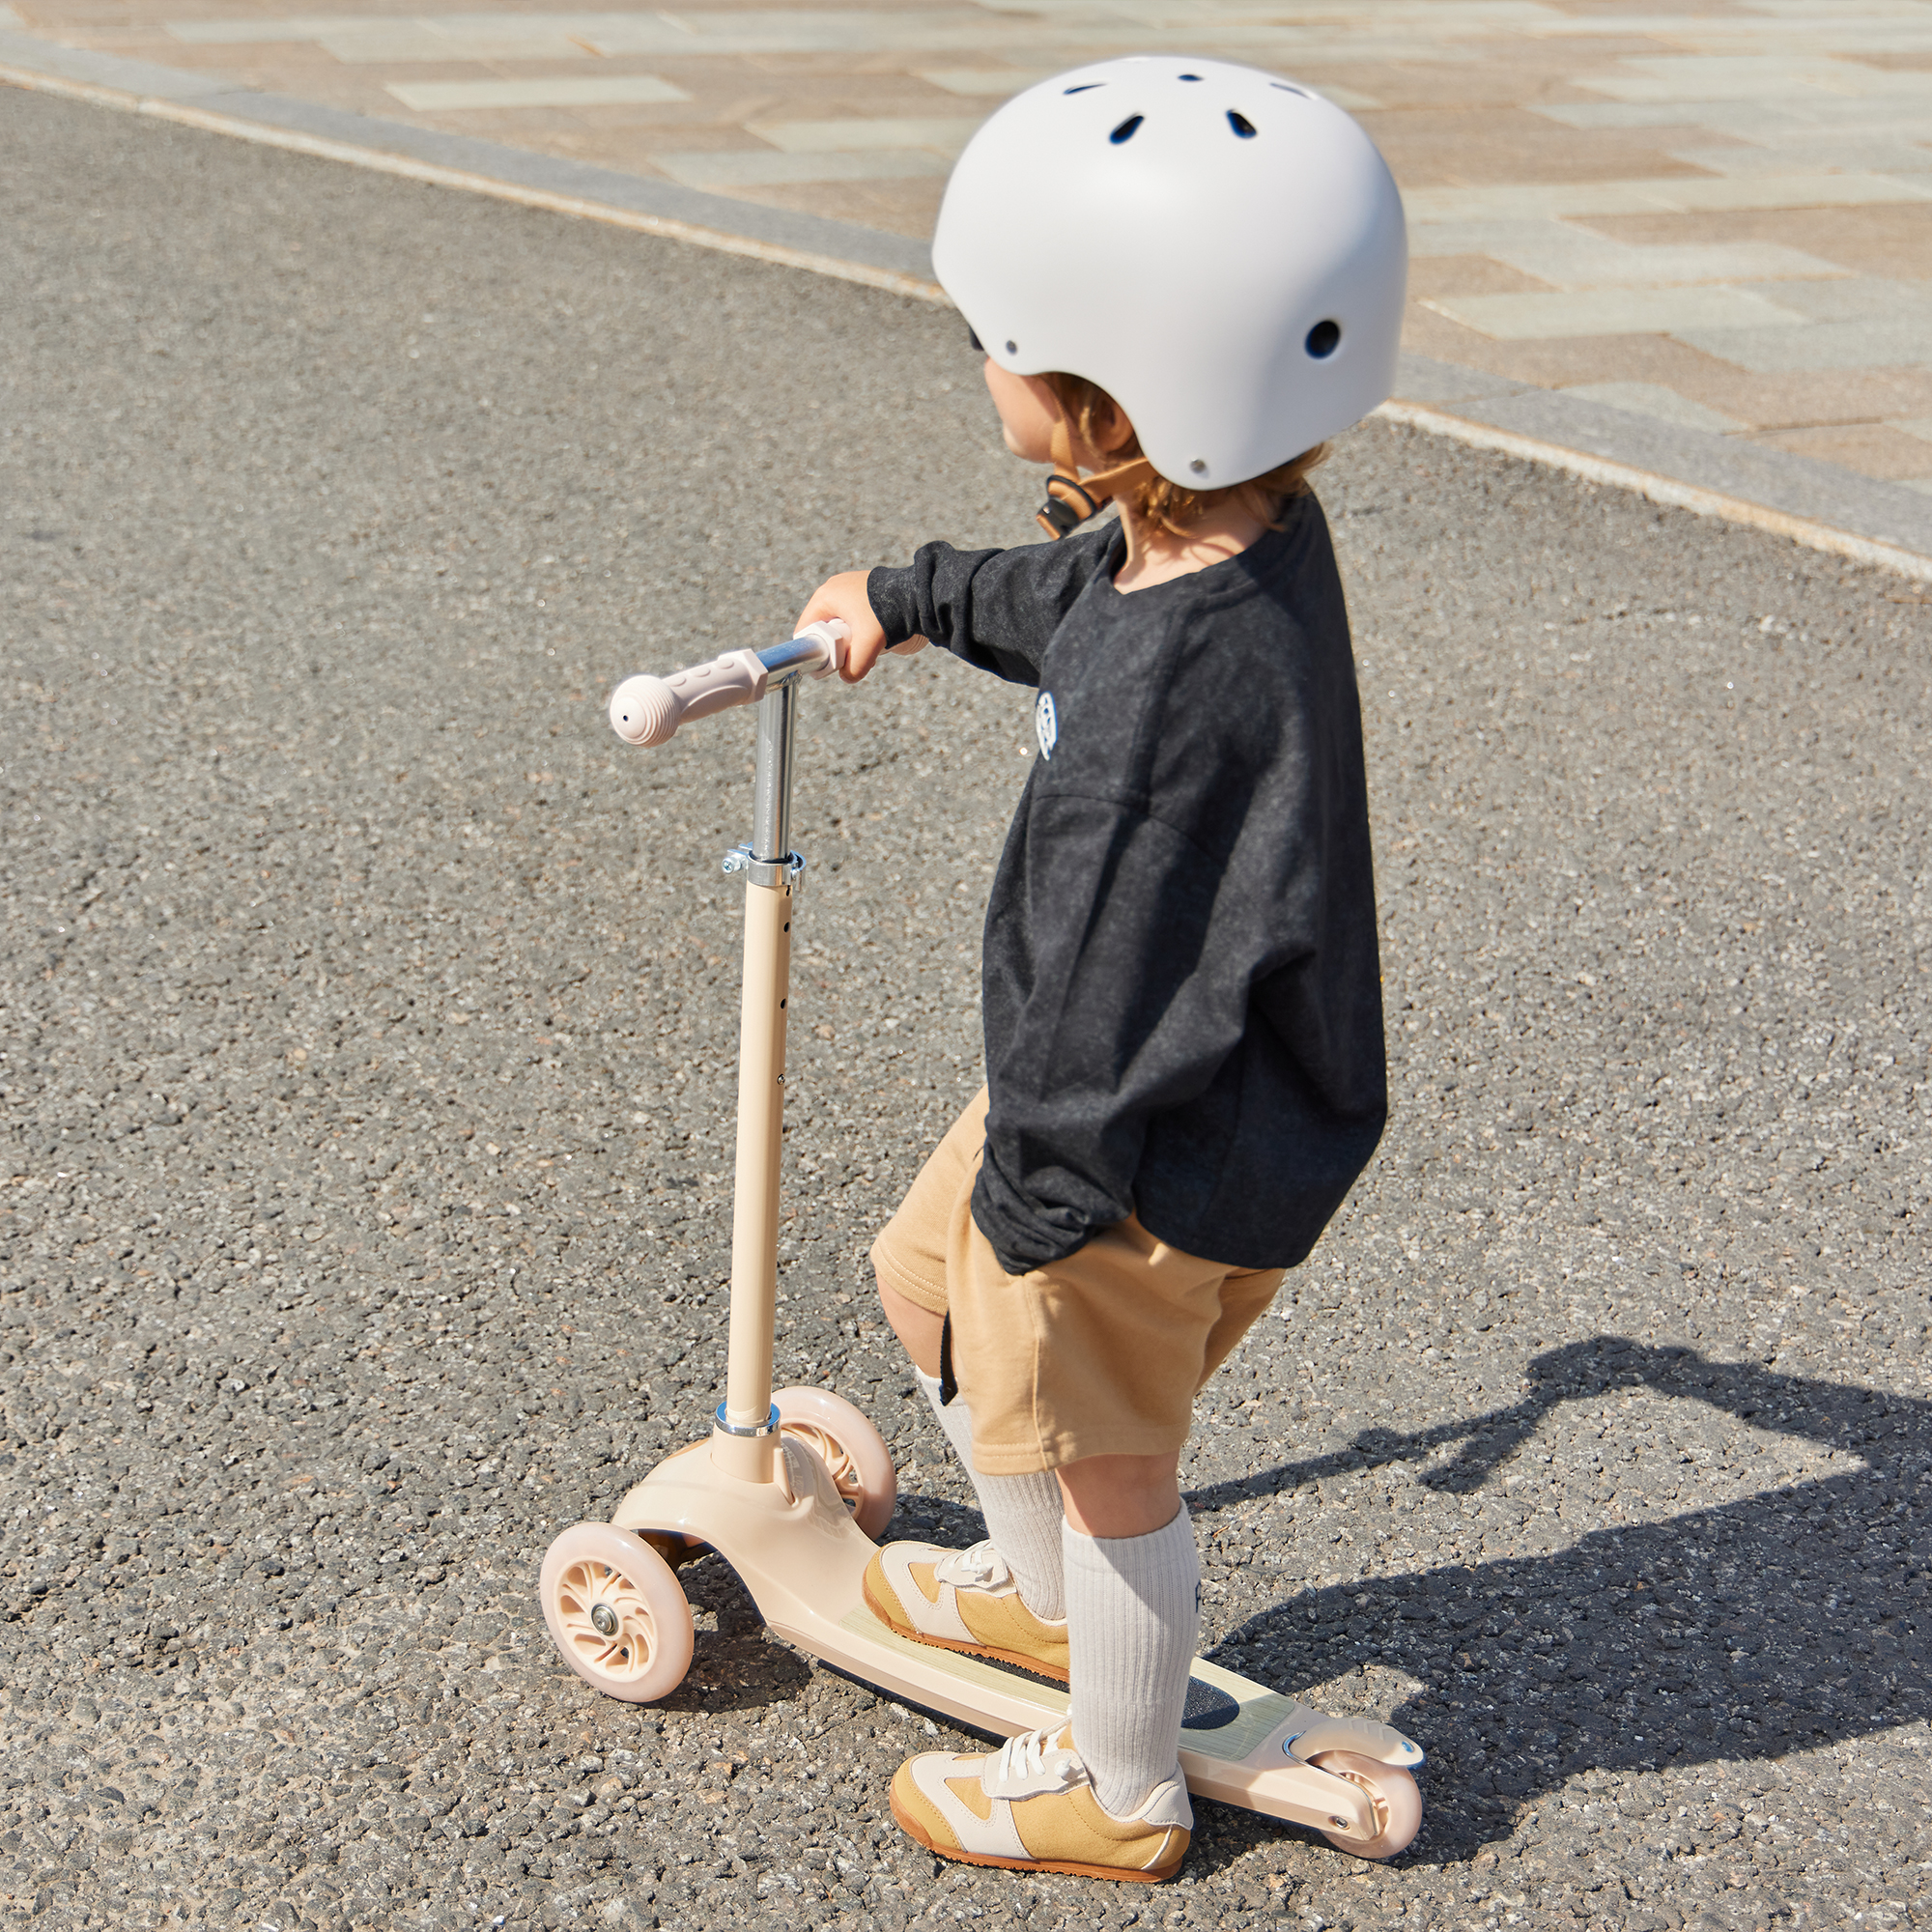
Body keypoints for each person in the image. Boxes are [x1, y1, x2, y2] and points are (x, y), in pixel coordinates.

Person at [794, 54, 1408, 1885]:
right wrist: (906, 593)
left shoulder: (1164, 710)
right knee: (919, 1281)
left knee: (1108, 1455)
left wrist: (1045, 1196)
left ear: (1109, 389)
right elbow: (1062, 594)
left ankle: (1118, 1785)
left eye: (999, 340)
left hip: (1148, 1140)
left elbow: (1113, 965)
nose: (980, 363)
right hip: (1128, 1088)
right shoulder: (1218, 543)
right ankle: (1027, 1591)